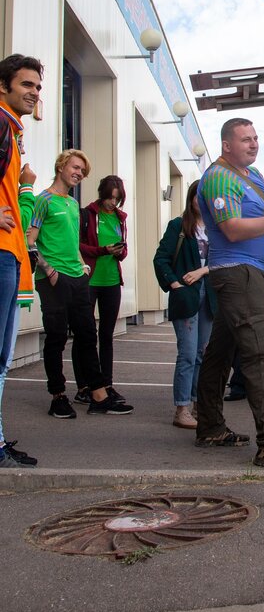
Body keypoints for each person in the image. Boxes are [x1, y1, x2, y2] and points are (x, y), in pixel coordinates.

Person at [194, 117, 264, 469]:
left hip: (253, 272)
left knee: (219, 354)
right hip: (236, 273)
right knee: (259, 356)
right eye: (245, 139)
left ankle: (211, 427)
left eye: (256, 138)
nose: (254, 144)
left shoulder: (253, 177)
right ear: (227, 145)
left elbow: (262, 214)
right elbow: (230, 229)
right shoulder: (217, 177)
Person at [27, 150, 133, 418]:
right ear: (61, 166)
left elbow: (73, 242)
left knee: (87, 335)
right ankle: (58, 396)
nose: (78, 173)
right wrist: (48, 269)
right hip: (52, 278)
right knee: (57, 337)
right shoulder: (44, 200)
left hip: (77, 276)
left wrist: (82, 265)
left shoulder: (73, 204)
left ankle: (98, 394)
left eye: (82, 171)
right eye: (75, 167)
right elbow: (30, 241)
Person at [0, 54, 42, 469]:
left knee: (1, 358)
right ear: (3, 86)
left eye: (38, 87)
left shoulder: (12, 132)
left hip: (10, 254)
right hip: (1, 254)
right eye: (26, 84)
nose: (34, 93)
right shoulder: (0, 123)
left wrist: (24, 187)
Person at [154, 179, 216, 429]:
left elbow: (224, 261)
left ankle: (198, 403)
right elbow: (161, 259)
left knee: (204, 354)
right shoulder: (179, 226)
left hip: (209, 297)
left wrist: (203, 272)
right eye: (197, 196)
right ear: (191, 199)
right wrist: (174, 284)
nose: (201, 201)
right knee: (188, 354)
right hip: (186, 297)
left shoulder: (218, 229)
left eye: (206, 196)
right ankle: (182, 408)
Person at [75, 174, 127, 402]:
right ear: (102, 194)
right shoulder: (87, 214)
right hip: (90, 280)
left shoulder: (119, 218)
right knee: (85, 335)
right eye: (109, 198)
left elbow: (123, 253)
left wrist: (119, 251)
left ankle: (106, 383)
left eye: (116, 199)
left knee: (107, 335)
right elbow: (79, 246)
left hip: (112, 281)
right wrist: (103, 250)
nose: (112, 203)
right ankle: (84, 386)